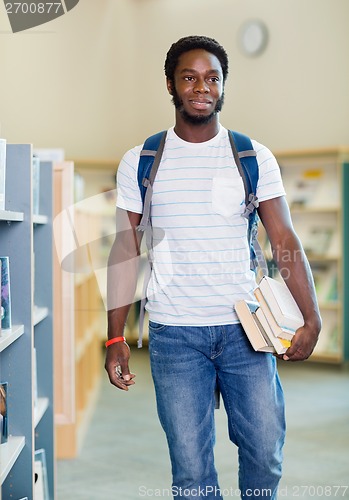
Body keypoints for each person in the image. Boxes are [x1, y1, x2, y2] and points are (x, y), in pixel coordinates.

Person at [105, 35, 321, 500]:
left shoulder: (252, 156)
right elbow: (125, 250)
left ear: (223, 85)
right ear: (171, 84)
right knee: (190, 471)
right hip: (175, 335)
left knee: (265, 452)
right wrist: (115, 336)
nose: (202, 87)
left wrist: (312, 315)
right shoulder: (142, 160)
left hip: (248, 331)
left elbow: (284, 240)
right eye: (189, 77)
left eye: (212, 77)